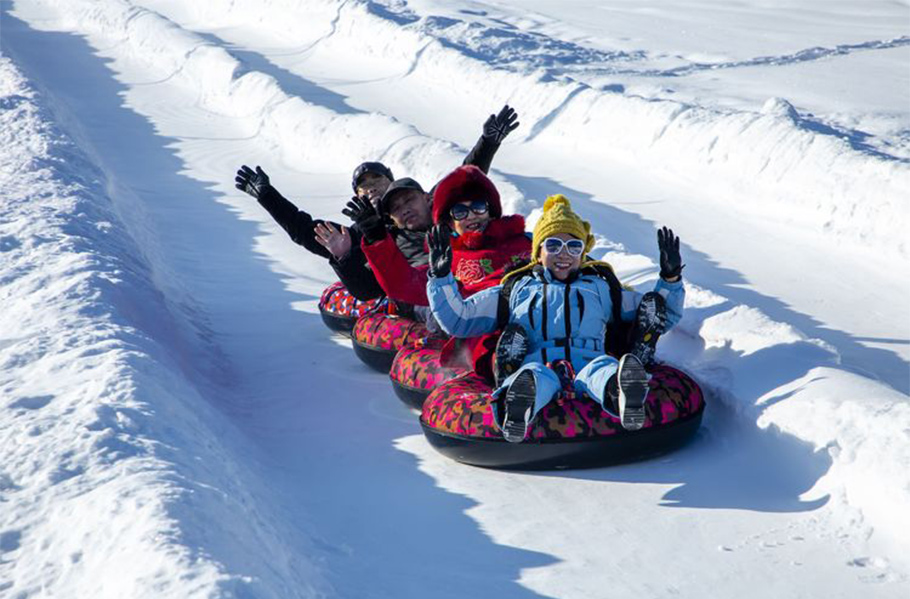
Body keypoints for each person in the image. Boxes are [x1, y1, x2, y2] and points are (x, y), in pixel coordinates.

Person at [425, 195, 685, 442]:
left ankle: (622, 393)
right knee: (534, 376)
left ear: (582, 254)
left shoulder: (602, 288)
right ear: (538, 252)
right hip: (539, 362)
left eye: (574, 246)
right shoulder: (515, 290)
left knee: (603, 369)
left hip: (590, 359)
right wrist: (441, 277)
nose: (564, 254)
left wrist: (670, 279)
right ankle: (517, 406)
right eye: (553, 245)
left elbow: (658, 314)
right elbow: (460, 319)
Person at [234, 105, 520, 300]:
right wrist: (267, 196)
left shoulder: (445, 209)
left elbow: (465, 176)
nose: (373, 192)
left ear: (424, 196)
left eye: (378, 184)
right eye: (364, 189)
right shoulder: (374, 237)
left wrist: (488, 142)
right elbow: (306, 231)